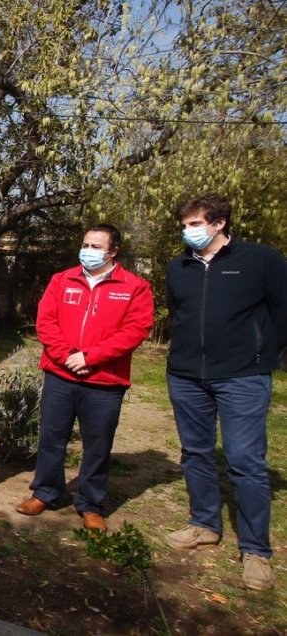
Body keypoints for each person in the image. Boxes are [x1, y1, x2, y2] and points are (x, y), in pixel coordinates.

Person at [164, 193, 286, 591]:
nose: (188, 231)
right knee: (195, 453)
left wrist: (261, 354)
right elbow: (178, 314)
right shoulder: (179, 267)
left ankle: (255, 550)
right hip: (186, 376)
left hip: (242, 377)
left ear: (219, 224)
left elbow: (282, 312)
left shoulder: (260, 260)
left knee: (245, 461)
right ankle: (204, 524)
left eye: (195, 224)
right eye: (184, 225)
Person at [15, 224, 153, 531]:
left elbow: (136, 330)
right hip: (60, 374)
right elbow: (46, 322)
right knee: (51, 437)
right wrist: (67, 355)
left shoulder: (134, 286)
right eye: (85, 245)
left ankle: (90, 504)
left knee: (98, 444)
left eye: (96, 247)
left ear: (113, 251)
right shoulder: (62, 280)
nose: (87, 251)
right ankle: (45, 492)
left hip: (104, 380)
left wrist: (91, 357)